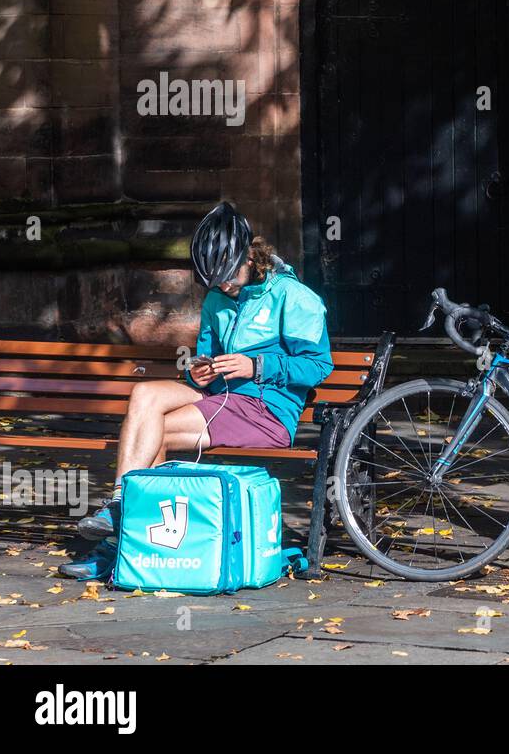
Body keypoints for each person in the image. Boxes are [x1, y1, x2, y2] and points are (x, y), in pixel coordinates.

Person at [60, 203, 333, 580]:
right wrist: (200, 372)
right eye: (214, 281)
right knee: (145, 396)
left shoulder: (294, 297)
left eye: (228, 276)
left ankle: (120, 545)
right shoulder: (218, 299)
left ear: (250, 257)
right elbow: (206, 359)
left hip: (266, 409)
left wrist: (258, 365)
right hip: (221, 399)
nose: (222, 286)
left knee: (153, 436)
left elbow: (319, 367)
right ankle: (122, 505)